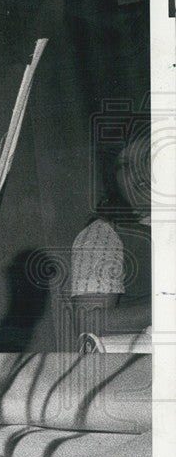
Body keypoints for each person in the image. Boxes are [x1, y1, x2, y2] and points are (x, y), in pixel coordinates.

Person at [69, 132, 151, 344]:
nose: (137, 171)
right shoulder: (104, 234)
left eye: (147, 158)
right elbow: (88, 324)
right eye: (124, 164)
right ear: (113, 178)